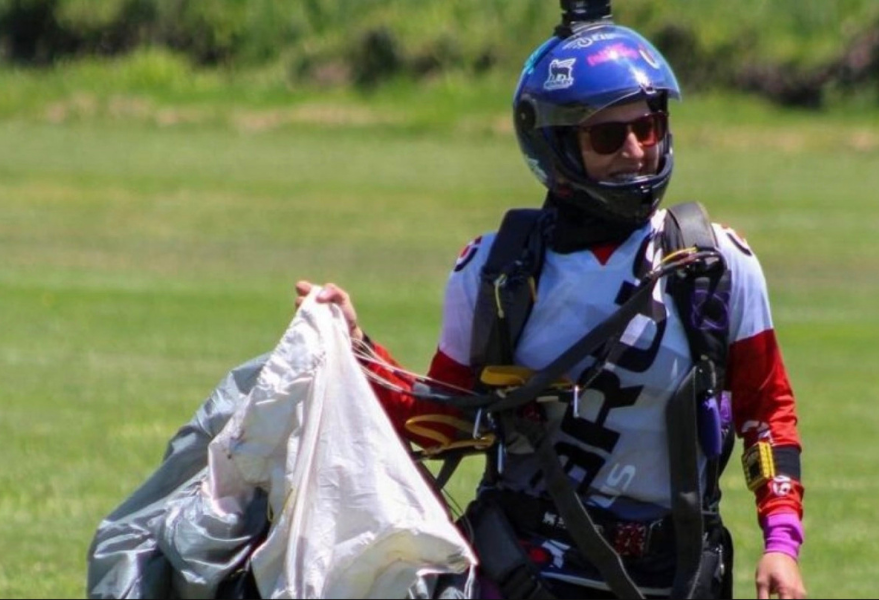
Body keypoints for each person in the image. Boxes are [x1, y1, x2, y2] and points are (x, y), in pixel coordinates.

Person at [295, 3, 805, 599]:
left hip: (679, 572)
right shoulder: (493, 274)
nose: (637, 150)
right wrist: (357, 349)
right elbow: (442, 428)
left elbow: (766, 411)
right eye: (609, 135)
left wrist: (781, 542)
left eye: (649, 128)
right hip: (526, 570)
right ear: (557, 144)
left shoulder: (715, 266)